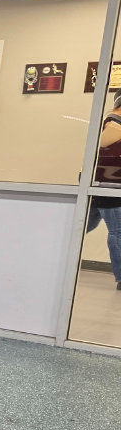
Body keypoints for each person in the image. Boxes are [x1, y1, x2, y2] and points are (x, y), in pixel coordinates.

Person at [89, 91, 121, 289]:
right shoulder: (114, 125)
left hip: (103, 186)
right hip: (107, 187)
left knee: (82, 227)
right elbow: (97, 152)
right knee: (118, 232)